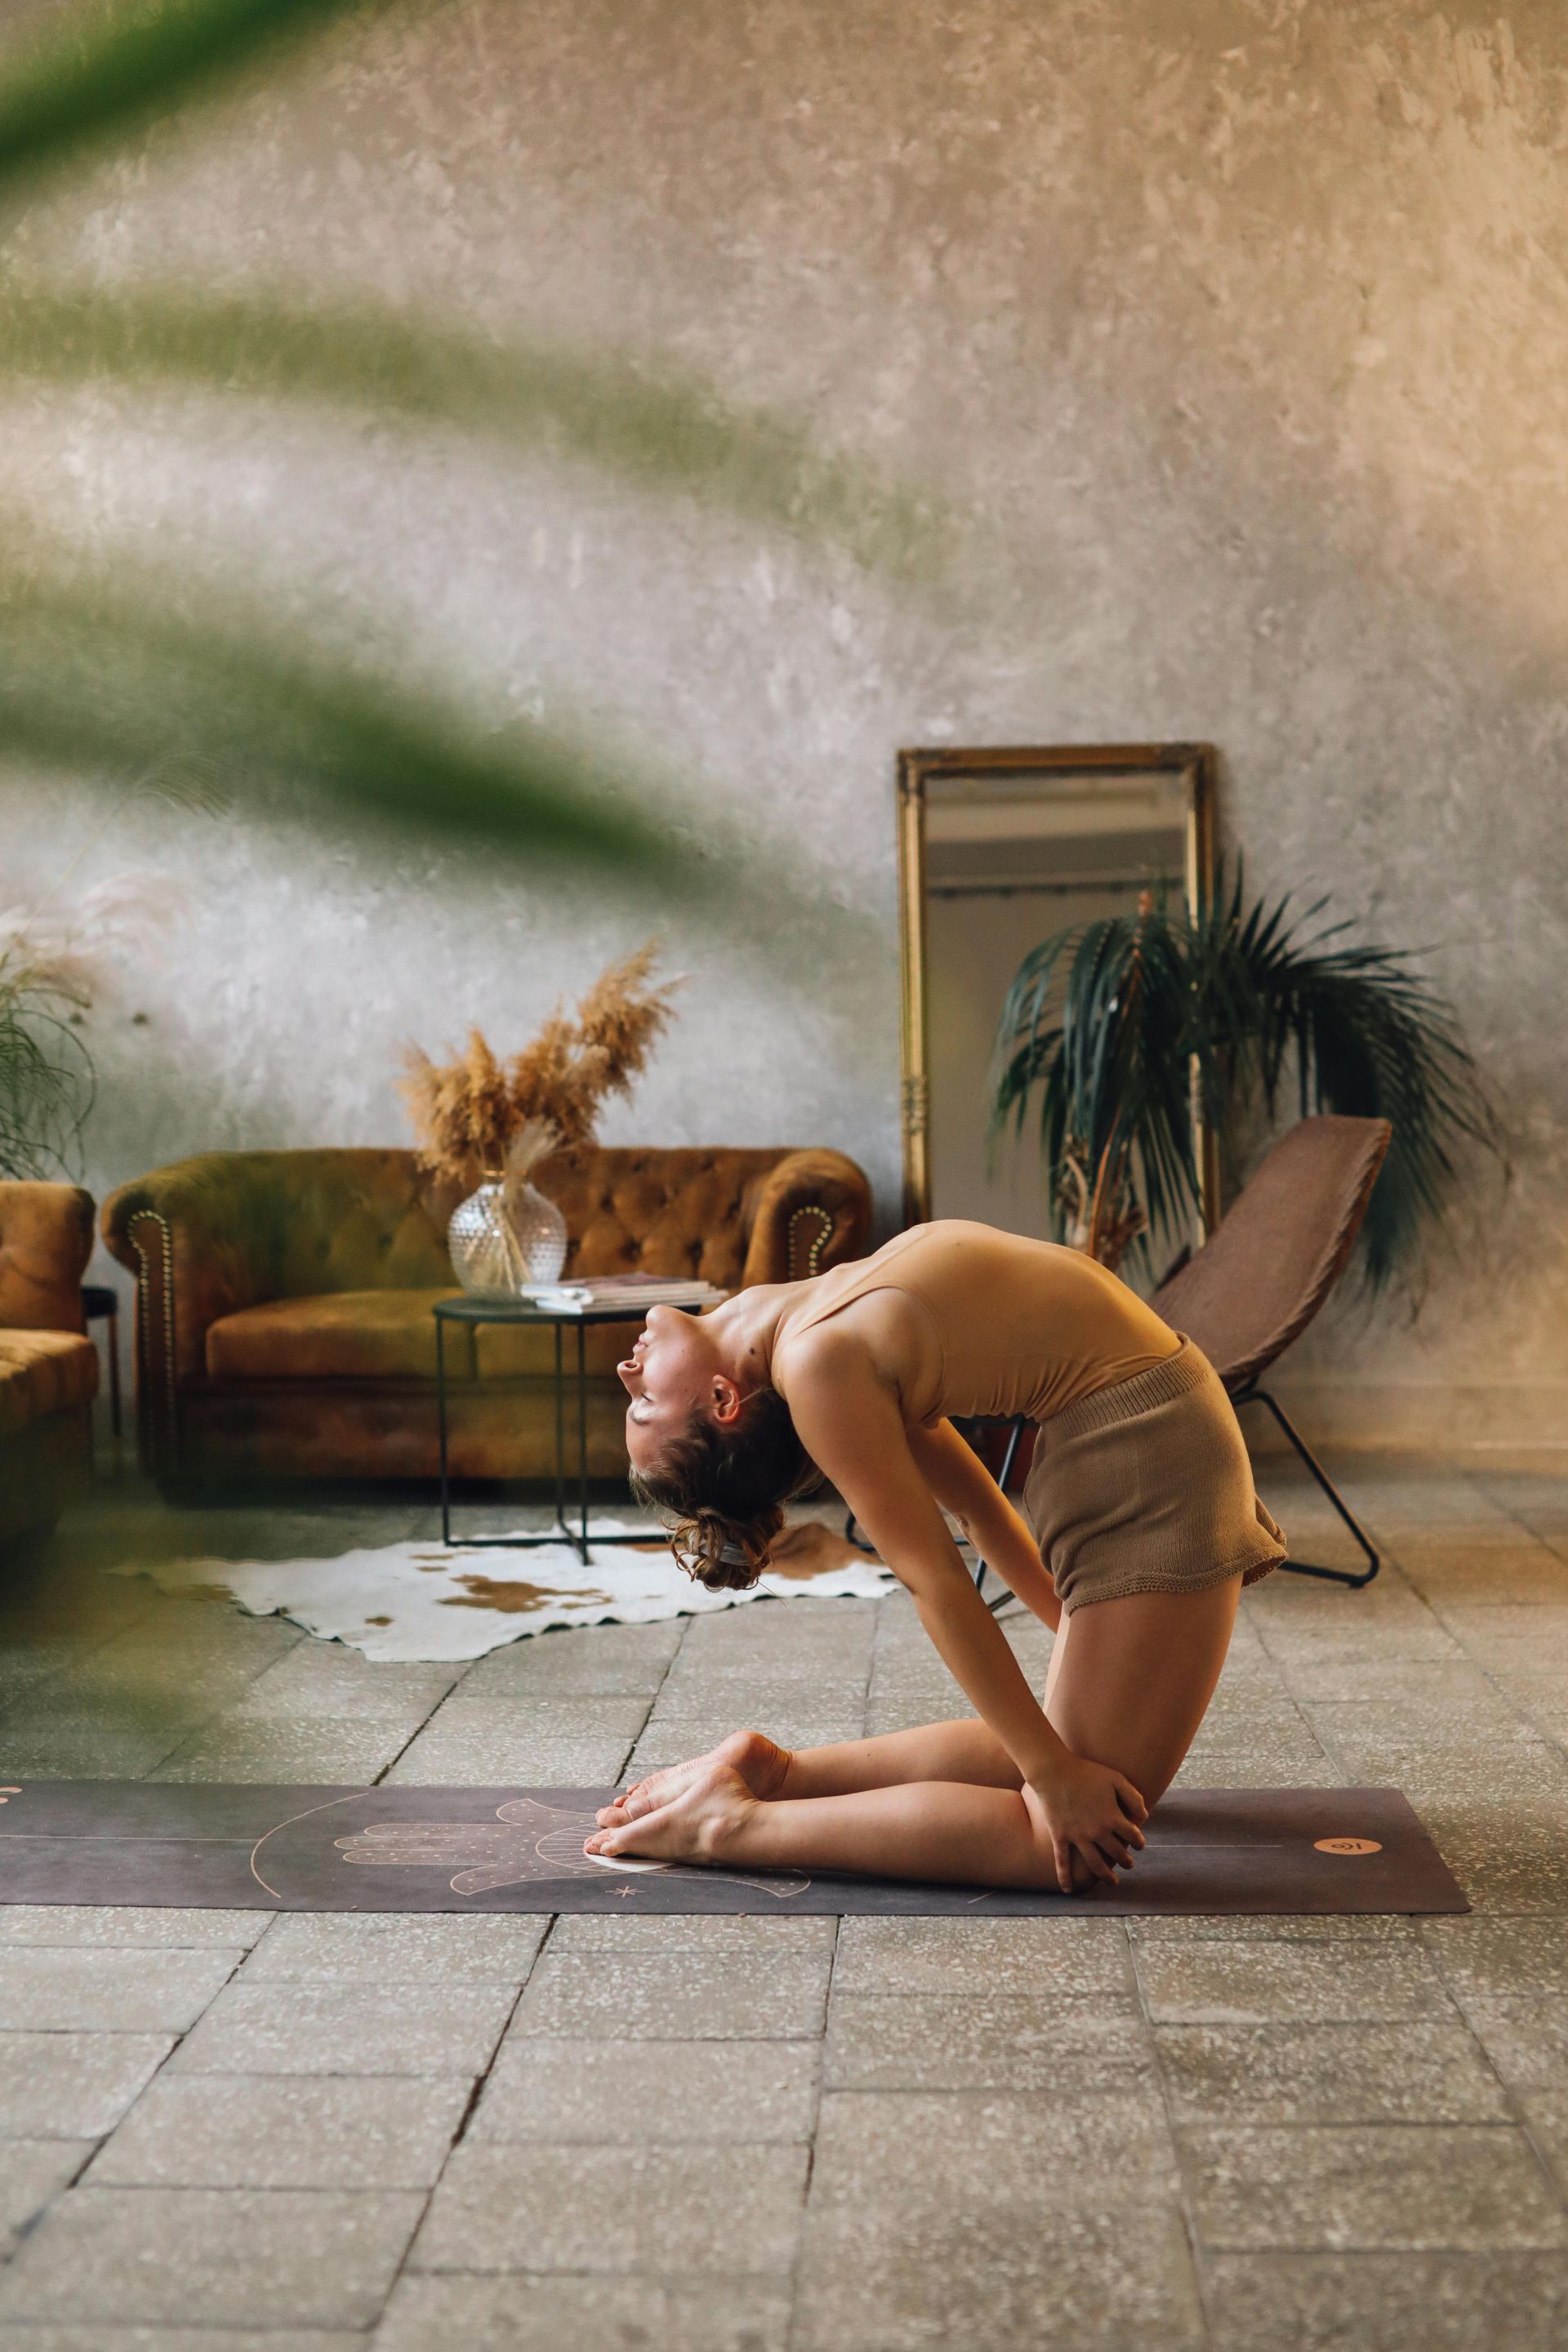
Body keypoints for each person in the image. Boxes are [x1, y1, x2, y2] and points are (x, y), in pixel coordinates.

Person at [586, 1219, 1285, 1893]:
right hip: (1147, 1445)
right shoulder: (817, 1357)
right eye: (643, 1401)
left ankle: (775, 1779)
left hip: (1148, 1440)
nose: (626, 1371)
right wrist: (1050, 1774)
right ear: (721, 1400)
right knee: (1062, 1837)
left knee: (1078, 1771)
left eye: (637, 1401)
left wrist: (1075, 1653)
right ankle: (731, 1826)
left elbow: (981, 1512)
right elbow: (939, 1579)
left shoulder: (809, 1335)